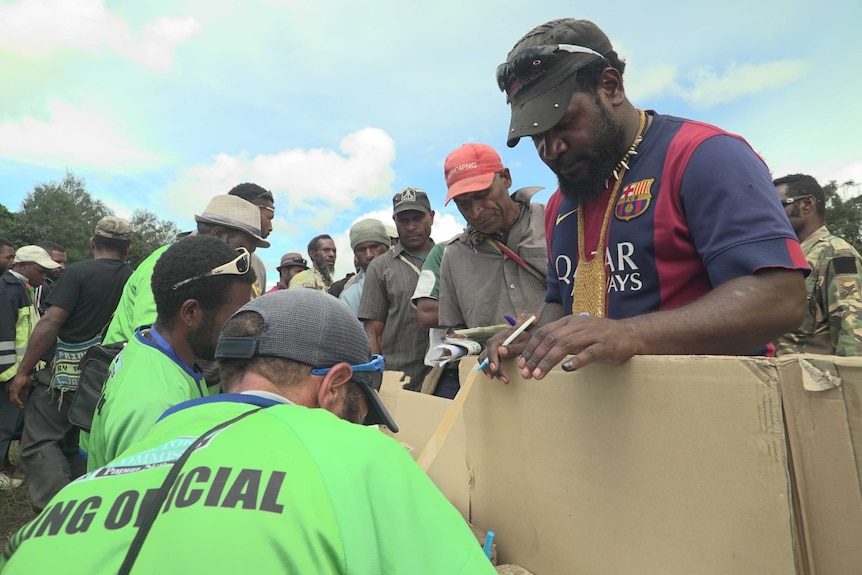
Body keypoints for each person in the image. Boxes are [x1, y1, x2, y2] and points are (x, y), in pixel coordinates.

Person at [0, 290, 495, 575]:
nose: (360, 425)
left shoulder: (108, 471)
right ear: (336, 386)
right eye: (359, 410)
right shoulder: (362, 453)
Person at [482, 18, 808, 383]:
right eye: (535, 137)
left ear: (611, 86)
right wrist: (532, 343)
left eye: (563, 123)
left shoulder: (703, 157)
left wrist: (630, 334)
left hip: (718, 405)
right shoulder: (561, 203)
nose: (551, 149)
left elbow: (780, 298)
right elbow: (559, 302)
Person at [86, 235, 254, 470]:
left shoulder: (149, 344)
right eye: (235, 315)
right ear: (191, 313)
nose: (239, 328)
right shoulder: (155, 407)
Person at [8, 218, 133, 511]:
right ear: (128, 247)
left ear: (92, 242)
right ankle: (83, 507)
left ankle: (56, 513)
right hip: (107, 376)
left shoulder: (78, 273)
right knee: (75, 443)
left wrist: (23, 371)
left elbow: (51, 321)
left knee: (38, 442)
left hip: (62, 377)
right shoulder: (133, 277)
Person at [103, 195, 269, 345]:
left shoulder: (204, 271)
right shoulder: (169, 263)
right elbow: (157, 338)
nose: (245, 260)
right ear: (219, 235)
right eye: (241, 250)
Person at [439, 143, 548, 329]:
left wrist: (546, 319)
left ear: (506, 178)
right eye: (462, 203)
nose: (475, 212)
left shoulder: (551, 223)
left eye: (482, 195)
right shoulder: (455, 255)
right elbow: (454, 330)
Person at [773, 174, 862, 355]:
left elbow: (852, 333)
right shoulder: (784, 258)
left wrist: (852, 381)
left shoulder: (837, 254)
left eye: (779, 205)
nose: (771, 213)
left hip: (815, 380)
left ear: (807, 204)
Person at [359, 188, 435, 391]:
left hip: (446, 376)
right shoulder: (381, 267)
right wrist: (376, 383)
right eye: (403, 220)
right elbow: (372, 332)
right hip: (399, 380)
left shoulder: (450, 257)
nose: (411, 226)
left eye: (417, 218)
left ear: (432, 217)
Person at [1, 243, 58, 488]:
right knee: (3, 425)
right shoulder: (8, 290)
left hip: (18, 371)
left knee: (13, 423)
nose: (44, 275)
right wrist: (9, 376)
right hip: (9, 373)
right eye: (40, 269)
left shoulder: (25, 288)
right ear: (23, 266)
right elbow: (5, 334)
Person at [228, 183, 275, 298]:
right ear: (249, 211)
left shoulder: (257, 265)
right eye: (269, 218)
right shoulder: (194, 250)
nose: (271, 227)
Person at [340, 219, 391, 314]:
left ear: (387, 247)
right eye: (361, 249)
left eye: (374, 247)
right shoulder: (350, 295)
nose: (369, 255)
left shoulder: (408, 275)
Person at [33, 241, 67, 316]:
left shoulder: (47, 285)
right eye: (57, 261)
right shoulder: (39, 285)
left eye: (64, 263)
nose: (62, 267)